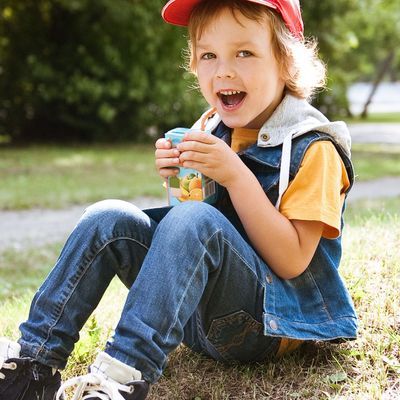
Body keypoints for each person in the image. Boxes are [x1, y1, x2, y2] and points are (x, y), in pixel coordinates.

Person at [0, 0, 358, 399]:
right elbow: (186, 241)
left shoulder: (315, 149)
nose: (223, 69)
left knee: (194, 220)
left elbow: (291, 262)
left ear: (286, 63)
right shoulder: (209, 127)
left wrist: (235, 176)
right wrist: (180, 180)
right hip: (198, 316)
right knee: (108, 218)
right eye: (208, 54)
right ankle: (31, 365)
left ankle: (121, 377)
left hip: (268, 325)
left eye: (244, 52)